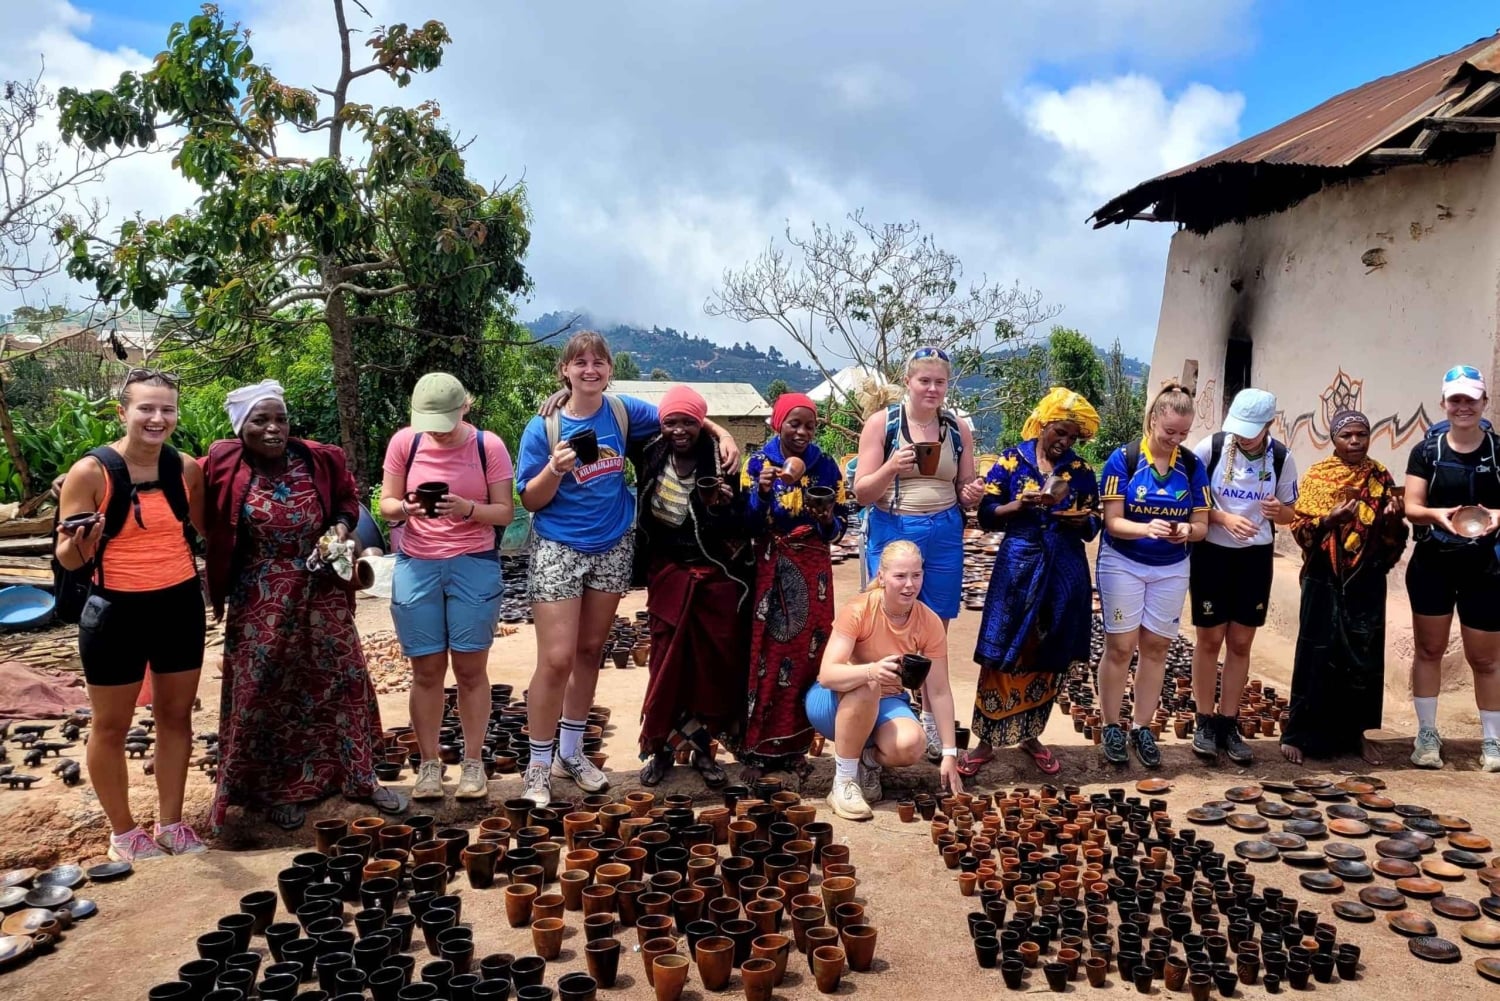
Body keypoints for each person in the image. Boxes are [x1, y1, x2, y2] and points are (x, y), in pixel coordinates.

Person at [517, 331, 739, 805]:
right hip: (559, 545)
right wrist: (555, 469)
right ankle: (538, 763)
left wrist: (721, 433)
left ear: (610, 370)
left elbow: (683, 415)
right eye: (580, 363)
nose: (590, 370)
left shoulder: (622, 412)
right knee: (555, 659)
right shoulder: (544, 427)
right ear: (565, 370)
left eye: (599, 362)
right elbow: (529, 499)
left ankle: (572, 753)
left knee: (591, 650)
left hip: (612, 545)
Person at [202, 381, 406, 829]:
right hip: (262, 597)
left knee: (344, 676)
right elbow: (166, 480)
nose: (274, 428)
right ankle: (276, 790)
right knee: (270, 690)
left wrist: (337, 531)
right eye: (261, 420)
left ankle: (359, 776)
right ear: (242, 427)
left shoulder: (317, 458)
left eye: (280, 419)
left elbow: (349, 503)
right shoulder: (222, 464)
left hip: (322, 588)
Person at [54, 368, 208, 861]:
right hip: (116, 610)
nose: (157, 418)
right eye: (146, 408)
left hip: (179, 604)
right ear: (123, 412)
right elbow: (67, 559)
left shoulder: (185, 470)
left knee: (175, 716)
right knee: (111, 724)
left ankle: (172, 823)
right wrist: (85, 542)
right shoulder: (90, 473)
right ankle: (123, 831)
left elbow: (204, 530)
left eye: (167, 409)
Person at [379, 373, 515, 802]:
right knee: (426, 671)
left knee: (471, 671)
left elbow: (505, 513)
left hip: (472, 563)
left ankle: (473, 762)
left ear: (465, 407)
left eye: (444, 419)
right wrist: (406, 507)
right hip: (417, 562)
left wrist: (467, 508)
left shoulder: (487, 446)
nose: (436, 428)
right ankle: (429, 765)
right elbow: (385, 505)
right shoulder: (406, 442)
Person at [960, 388, 1101, 778]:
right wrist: (1018, 506)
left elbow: (1093, 523)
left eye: (1072, 437)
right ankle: (985, 741)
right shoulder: (1011, 460)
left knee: (1049, 649)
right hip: (1018, 565)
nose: (1065, 442)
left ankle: (1031, 735)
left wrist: (1078, 519)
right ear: (1042, 424)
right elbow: (987, 514)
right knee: (1003, 648)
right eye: (1060, 432)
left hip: (1063, 567)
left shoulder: (1081, 471)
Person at [852, 346, 984, 759]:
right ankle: (886, 713)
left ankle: (930, 721)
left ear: (948, 386)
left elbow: (966, 490)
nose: (931, 388)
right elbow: (860, 492)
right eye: (923, 380)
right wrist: (891, 466)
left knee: (934, 625)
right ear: (907, 381)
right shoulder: (883, 424)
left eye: (939, 382)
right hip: (895, 523)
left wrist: (972, 493)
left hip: (944, 528)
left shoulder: (957, 428)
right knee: (887, 620)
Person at [634, 386, 754, 788]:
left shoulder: (722, 460)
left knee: (709, 671)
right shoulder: (650, 451)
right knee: (666, 668)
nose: (680, 430)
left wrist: (721, 507)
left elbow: (742, 525)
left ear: (700, 423)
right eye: (672, 421)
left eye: (689, 421)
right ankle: (661, 751)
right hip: (667, 574)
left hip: (713, 578)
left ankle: (704, 752)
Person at [1280, 410, 1408, 764]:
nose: (1355, 442)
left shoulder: (1379, 476)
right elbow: (1300, 527)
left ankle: (1356, 734)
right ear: (1333, 439)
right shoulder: (1318, 476)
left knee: (1361, 655)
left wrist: (1392, 521)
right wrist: (1328, 520)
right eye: (1347, 435)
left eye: (1361, 435)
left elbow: (1394, 540)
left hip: (1366, 576)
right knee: (1316, 650)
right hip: (1324, 573)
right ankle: (1298, 734)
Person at [1096, 380, 1211, 769]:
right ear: (1153, 421)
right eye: (1169, 432)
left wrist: (1184, 531)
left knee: (1157, 647)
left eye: (1182, 433)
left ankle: (1141, 727)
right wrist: (1146, 527)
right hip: (1124, 561)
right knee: (1121, 646)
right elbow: (1112, 522)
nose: (1175, 440)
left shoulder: (1192, 466)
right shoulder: (1124, 459)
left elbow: (1202, 526)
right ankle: (1111, 723)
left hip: (1172, 566)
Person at [807, 541, 961, 819]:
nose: (909, 585)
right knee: (869, 684)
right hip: (834, 701)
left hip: (887, 702)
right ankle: (843, 782)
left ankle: (867, 762)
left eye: (916, 575)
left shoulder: (929, 622)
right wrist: (870, 671)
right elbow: (827, 675)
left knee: (912, 745)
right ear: (881, 577)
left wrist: (950, 752)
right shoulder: (859, 610)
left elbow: (938, 691)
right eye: (900, 576)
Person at [738, 392, 847, 779]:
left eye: (809, 426)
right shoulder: (758, 462)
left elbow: (838, 529)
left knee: (809, 658)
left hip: (815, 571)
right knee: (768, 656)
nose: (801, 432)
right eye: (794, 423)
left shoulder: (827, 466)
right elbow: (748, 525)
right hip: (773, 568)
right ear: (777, 423)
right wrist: (763, 492)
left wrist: (826, 518)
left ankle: (798, 745)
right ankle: (757, 748)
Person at [1187, 389, 1299, 766]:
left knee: (1240, 641)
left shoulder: (1281, 458)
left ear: (1270, 424)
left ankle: (1228, 722)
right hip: (1212, 554)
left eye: (1254, 429)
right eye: (1241, 428)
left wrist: (1278, 510)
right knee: (1209, 638)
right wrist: (1221, 518)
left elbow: (1289, 515)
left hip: (1254, 557)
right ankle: (1204, 719)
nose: (1245, 436)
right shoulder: (1212, 448)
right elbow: (1191, 499)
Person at [1403, 365, 1500, 772]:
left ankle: (1492, 740)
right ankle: (1426, 734)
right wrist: (1436, 515)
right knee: (1429, 649)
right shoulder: (1427, 452)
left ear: (1484, 403)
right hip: (1434, 563)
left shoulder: (1498, 450)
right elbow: (1412, 506)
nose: (1463, 406)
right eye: (1455, 399)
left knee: (1487, 659)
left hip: (1486, 568)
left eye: (1471, 399)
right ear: (1444, 402)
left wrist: (1497, 515)